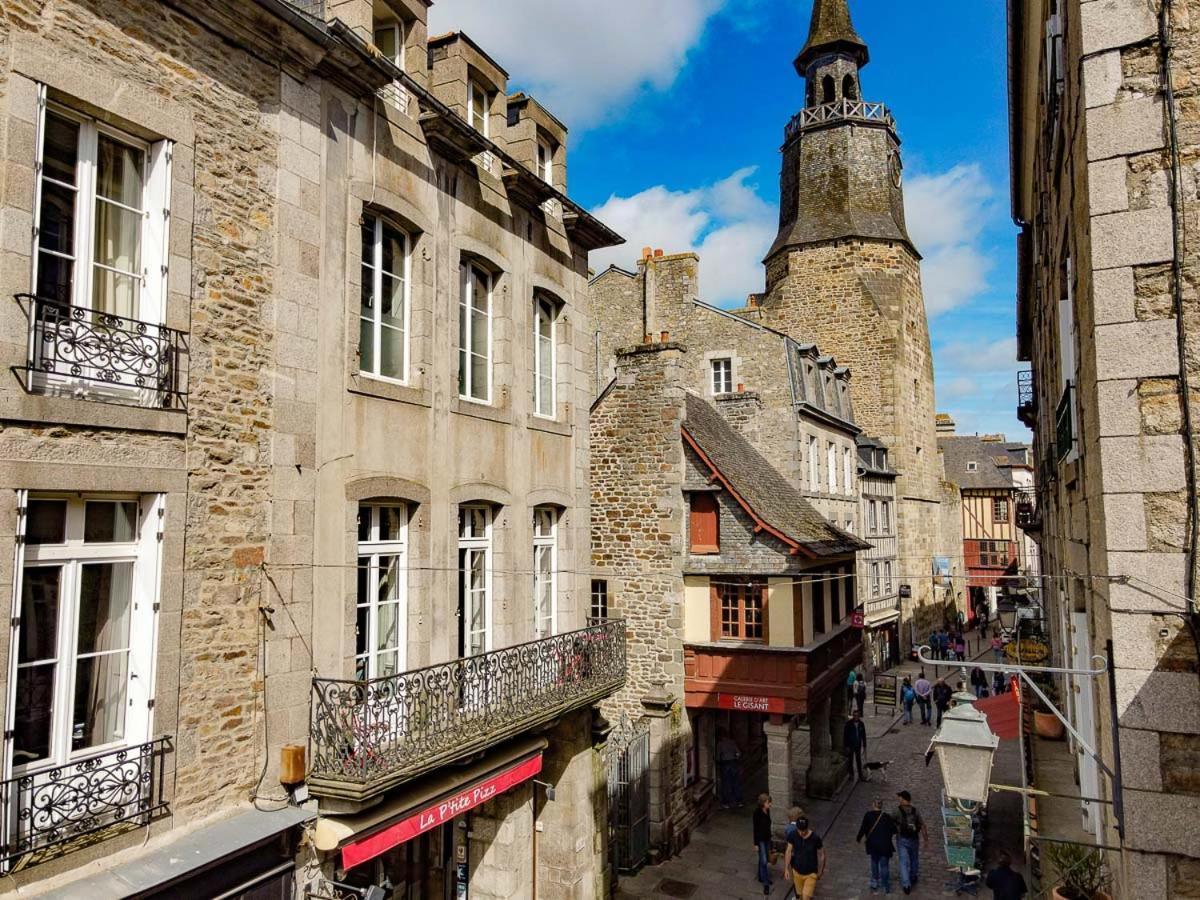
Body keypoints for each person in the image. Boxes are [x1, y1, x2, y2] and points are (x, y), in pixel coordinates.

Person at [856, 797, 898, 895]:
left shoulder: (868, 815)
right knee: (884, 866)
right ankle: (885, 886)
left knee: (874, 862)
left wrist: (858, 838)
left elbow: (863, 828)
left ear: (873, 805)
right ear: (881, 806)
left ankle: (874, 882)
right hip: (885, 845)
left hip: (873, 844)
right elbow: (894, 830)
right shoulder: (887, 817)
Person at [783, 812, 826, 899]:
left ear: (807, 828)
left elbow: (822, 855)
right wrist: (786, 868)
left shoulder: (815, 838)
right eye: (800, 830)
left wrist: (821, 871)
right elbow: (788, 851)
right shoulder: (793, 835)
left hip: (811, 873)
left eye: (804, 830)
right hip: (797, 872)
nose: (802, 832)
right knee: (800, 896)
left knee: (806, 896)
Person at [895, 790, 928, 894]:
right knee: (914, 859)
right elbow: (922, 825)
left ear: (904, 799)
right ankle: (913, 877)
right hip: (914, 839)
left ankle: (906, 885)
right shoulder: (915, 811)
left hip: (902, 839)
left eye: (900, 797)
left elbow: (889, 821)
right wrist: (926, 839)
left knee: (903, 862)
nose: (898, 799)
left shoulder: (897, 811)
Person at [753, 793, 774, 894]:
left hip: (767, 838)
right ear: (763, 803)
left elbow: (768, 826)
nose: (770, 804)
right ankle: (766, 882)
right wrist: (756, 844)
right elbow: (755, 829)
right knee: (764, 860)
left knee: (763, 859)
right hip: (761, 839)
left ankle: (761, 876)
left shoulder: (767, 811)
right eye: (768, 802)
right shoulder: (757, 813)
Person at [716, 730, 743, 808]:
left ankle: (726, 802)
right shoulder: (732, 742)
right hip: (734, 763)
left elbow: (718, 756)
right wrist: (736, 759)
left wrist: (718, 763)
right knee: (736, 782)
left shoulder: (720, 744)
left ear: (720, 737)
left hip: (725, 764)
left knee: (726, 784)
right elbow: (738, 753)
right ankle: (739, 801)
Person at [843, 709, 868, 781]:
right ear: (853, 716)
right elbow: (845, 735)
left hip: (858, 744)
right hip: (851, 745)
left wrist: (864, 745)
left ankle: (860, 775)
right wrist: (846, 745)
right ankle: (851, 774)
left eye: (857, 716)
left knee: (858, 760)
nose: (856, 717)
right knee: (850, 760)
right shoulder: (849, 724)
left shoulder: (861, 724)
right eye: (855, 715)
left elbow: (863, 735)